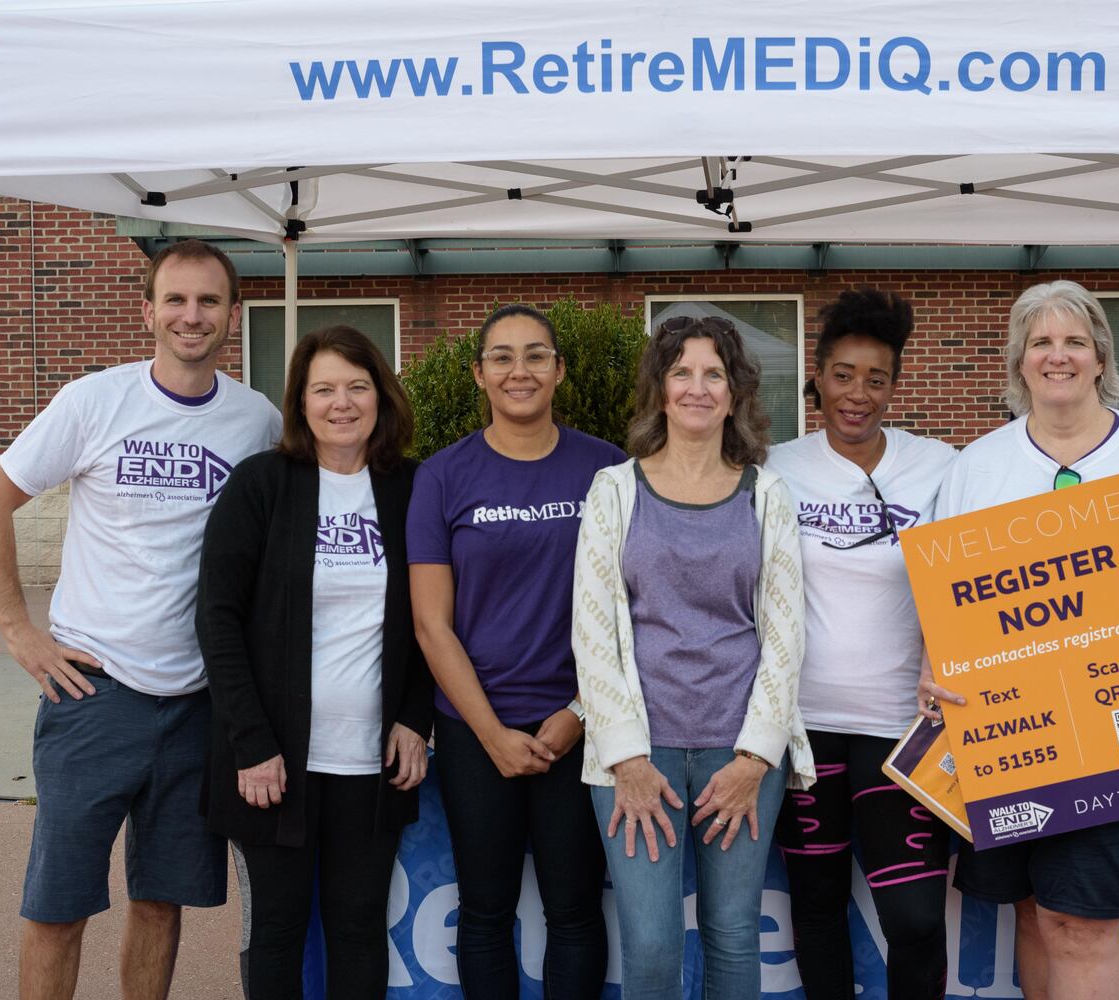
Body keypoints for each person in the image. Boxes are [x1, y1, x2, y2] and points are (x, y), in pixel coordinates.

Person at [0, 240, 281, 1000]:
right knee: (59, 904)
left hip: (196, 702)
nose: (191, 315)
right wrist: (19, 632)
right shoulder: (93, 400)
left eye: (208, 301)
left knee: (160, 899)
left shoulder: (257, 420)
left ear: (233, 316)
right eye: (175, 299)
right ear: (147, 311)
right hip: (94, 697)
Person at [919, 280, 1119, 1000]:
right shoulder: (978, 466)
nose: (1057, 356)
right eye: (1040, 342)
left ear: (1100, 357)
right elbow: (942, 601)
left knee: (1085, 923)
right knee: (1034, 914)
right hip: (1010, 730)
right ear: (1019, 362)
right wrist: (932, 668)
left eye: (1073, 341)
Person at [572, 315, 815, 1000]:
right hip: (635, 758)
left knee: (733, 934)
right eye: (682, 372)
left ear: (735, 393)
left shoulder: (766, 495)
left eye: (714, 374)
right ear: (660, 388)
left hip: (739, 755)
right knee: (649, 945)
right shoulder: (614, 491)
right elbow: (591, 633)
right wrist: (627, 760)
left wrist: (753, 759)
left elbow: (786, 633)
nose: (698, 388)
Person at [195, 325, 433, 998]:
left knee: (359, 925)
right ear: (299, 401)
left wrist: (416, 718)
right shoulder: (262, 485)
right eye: (323, 388)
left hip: (373, 763)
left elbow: (432, 621)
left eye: (358, 387)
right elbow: (217, 617)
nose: (342, 403)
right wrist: (252, 743)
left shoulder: (414, 487)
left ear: (382, 397)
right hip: (275, 764)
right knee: (278, 927)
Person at [408, 304, 620, 999]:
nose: (518, 369)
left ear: (559, 371)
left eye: (535, 355)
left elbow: (633, 613)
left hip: (580, 727)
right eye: (501, 356)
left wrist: (580, 714)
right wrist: (492, 733)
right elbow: (432, 625)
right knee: (486, 911)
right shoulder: (440, 477)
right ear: (478, 374)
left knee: (576, 910)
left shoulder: (609, 470)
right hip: (476, 729)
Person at [765, 288, 956, 1000]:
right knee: (815, 910)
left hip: (901, 729)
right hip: (802, 730)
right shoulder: (775, 466)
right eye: (843, 375)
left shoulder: (940, 467)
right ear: (817, 377)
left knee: (912, 921)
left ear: (895, 386)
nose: (858, 394)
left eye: (876, 379)